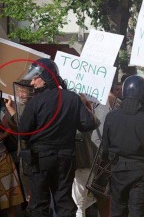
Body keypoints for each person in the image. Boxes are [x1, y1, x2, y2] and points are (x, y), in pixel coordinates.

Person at [18, 58, 98, 217]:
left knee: (39, 204)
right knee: (64, 201)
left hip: (41, 159)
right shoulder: (72, 98)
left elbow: (23, 131)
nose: (32, 82)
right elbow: (88, 124)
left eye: (35, 77)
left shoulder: (35, 102)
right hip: (65, 159)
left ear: (47, 77)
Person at [101, 75, 144, 216]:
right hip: (141, 173)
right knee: (138, 212)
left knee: (118, 211)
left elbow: (105, 147)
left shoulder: (111, 117)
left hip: (118, 171)